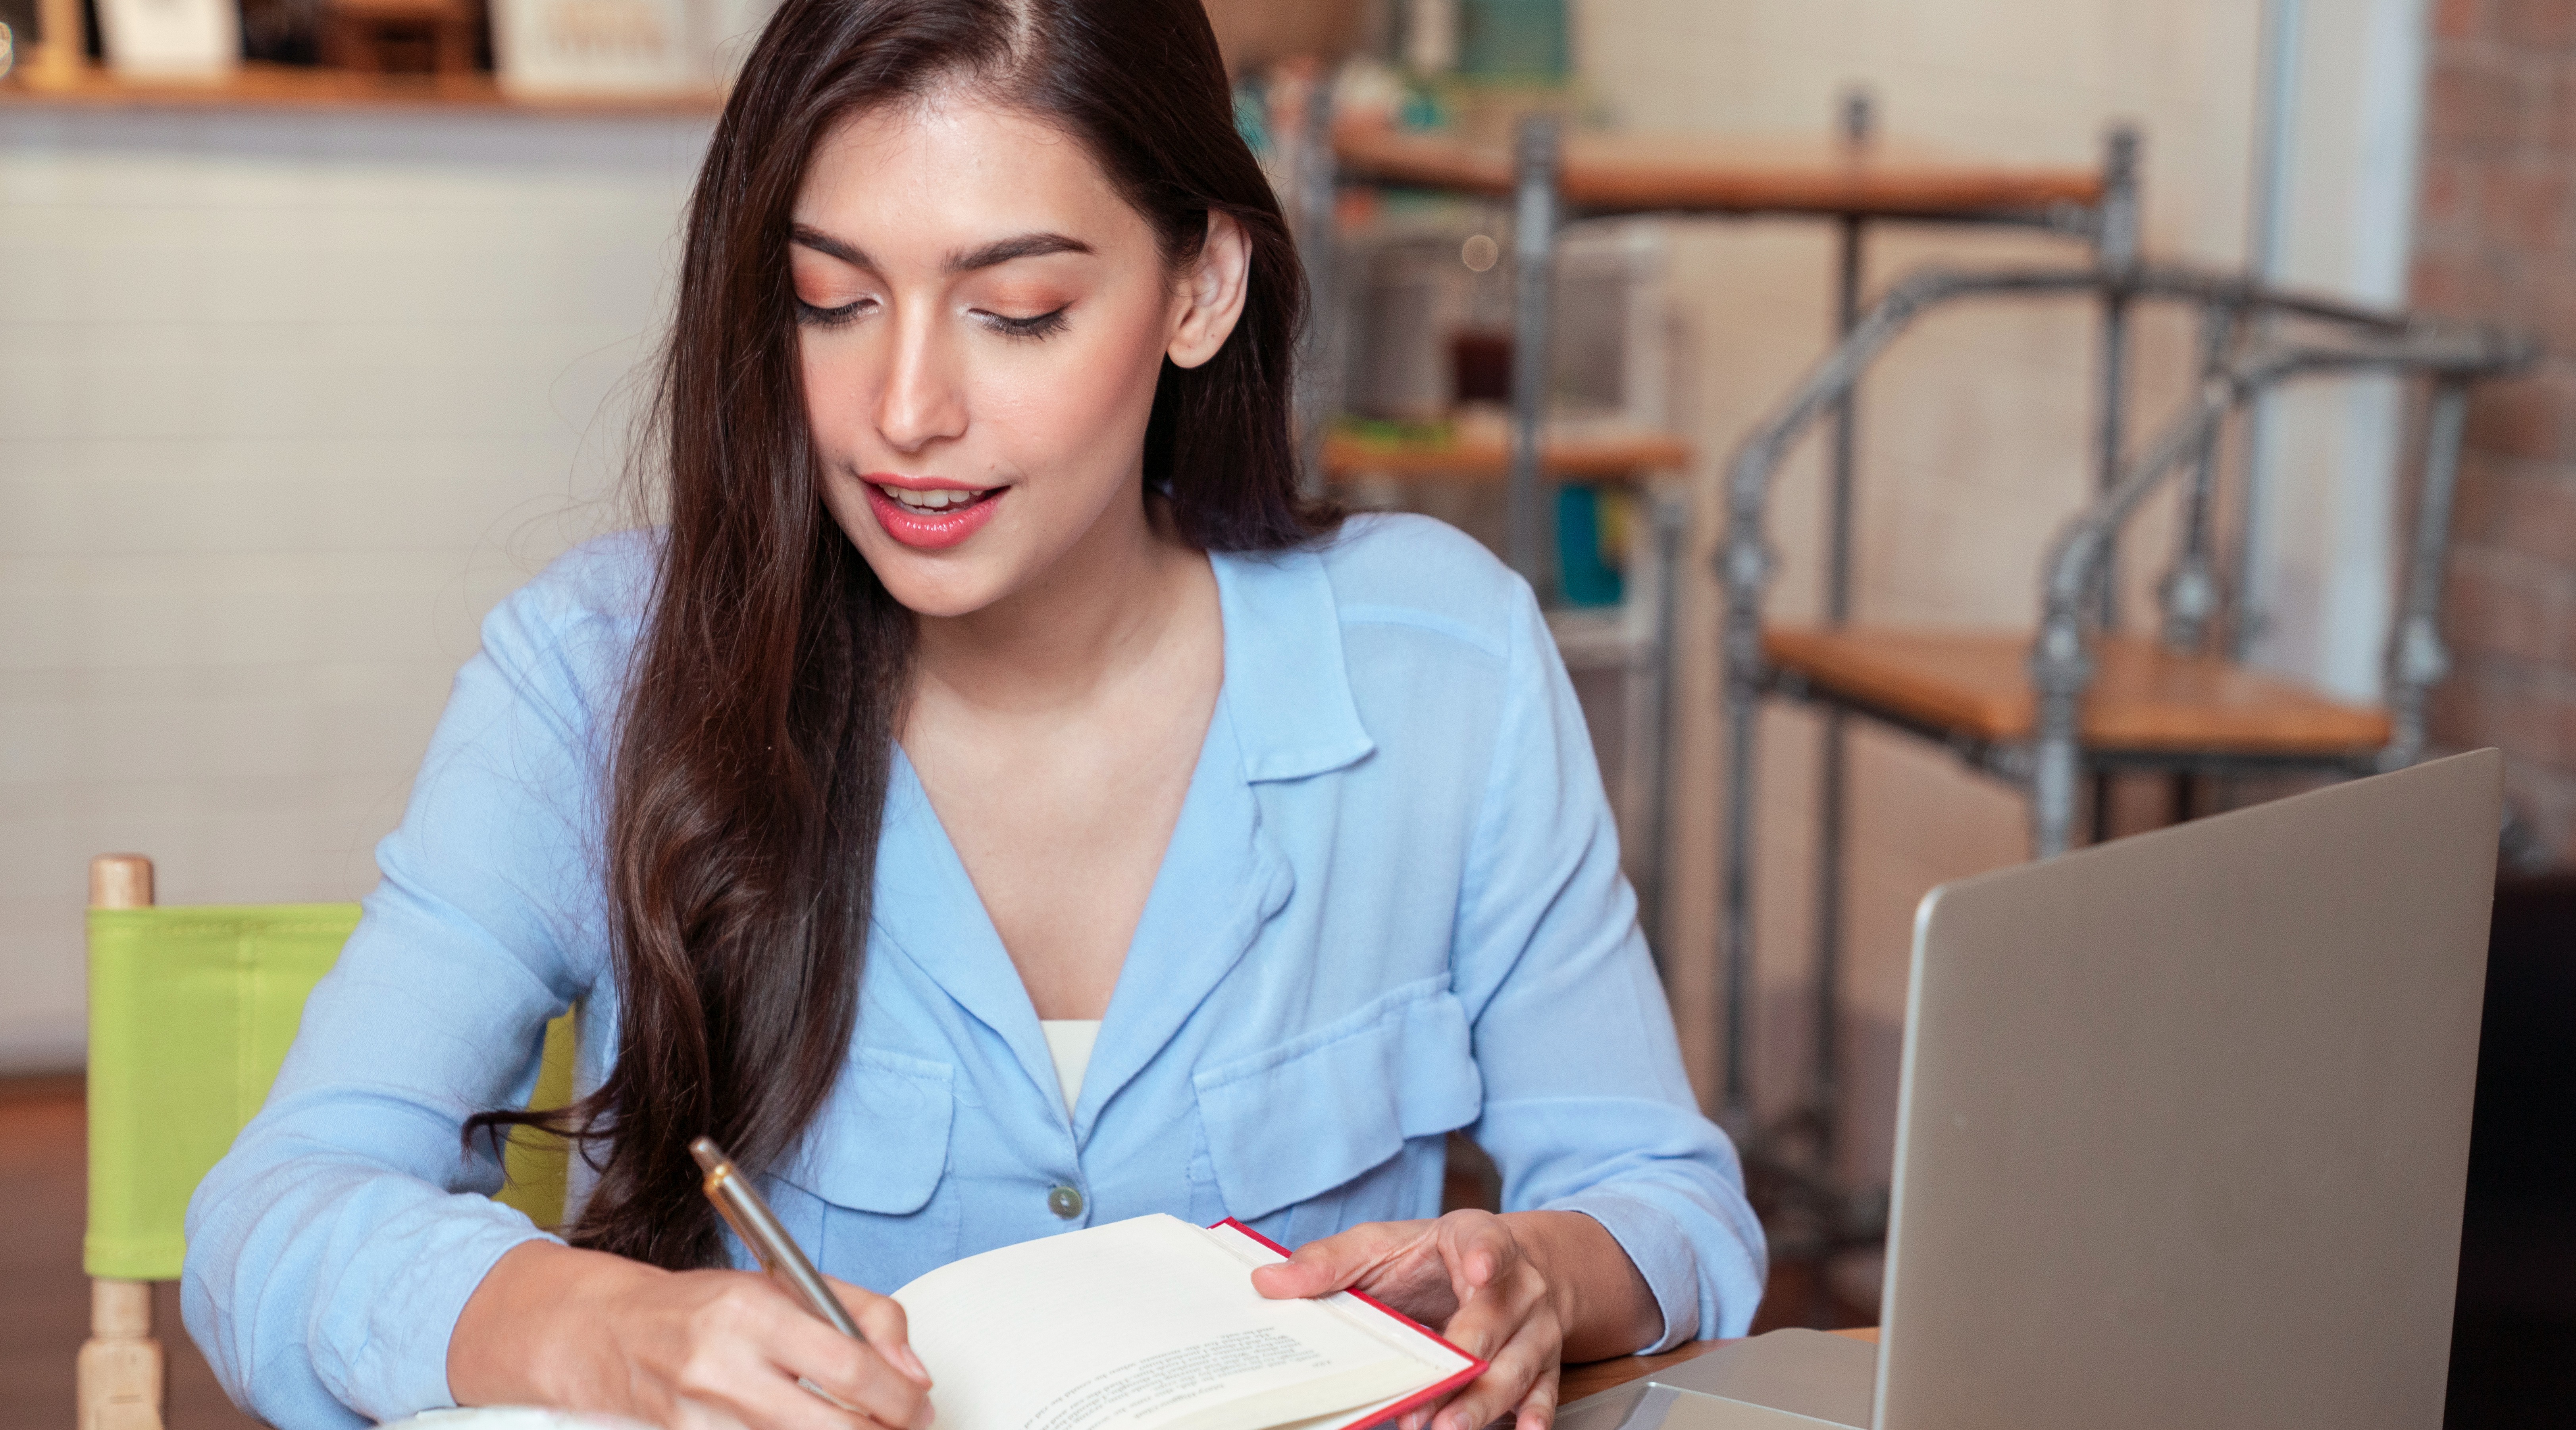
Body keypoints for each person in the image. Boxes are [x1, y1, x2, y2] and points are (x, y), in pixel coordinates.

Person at [180, 0, 1762, 1426]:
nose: (903, 412)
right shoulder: (594, 671)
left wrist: (1540, 1268)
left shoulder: (1443, 659)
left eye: (1013, 309)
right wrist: (587, 1324)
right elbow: (275, 1212)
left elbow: (1665, 1200)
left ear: (1198, 285)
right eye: (831, 299)